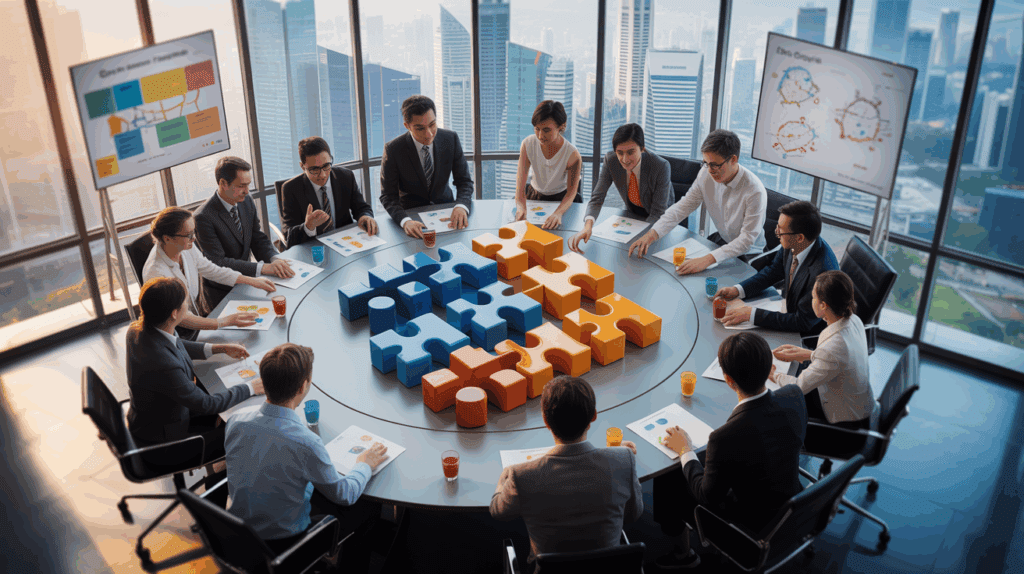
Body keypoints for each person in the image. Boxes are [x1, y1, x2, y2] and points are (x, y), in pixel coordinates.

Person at [653, 332, 807, 569]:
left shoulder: (725, 437)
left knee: (669, 477)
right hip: (792, 504)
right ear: (769, 368)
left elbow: (707, 496)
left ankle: (683, 555)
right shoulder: (794, 396)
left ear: (728, 379)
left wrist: (685, 449)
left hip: (749, 525)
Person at [226, 343, 388, 565]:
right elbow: (345, 495)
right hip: (285, 545)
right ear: (303, 386)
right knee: (368, 506)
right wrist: (364, 464)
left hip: (240, 534)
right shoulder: (306, 442)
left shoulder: (236, 420)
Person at [490, 375, 643, 566]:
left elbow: (498, 512)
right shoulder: (624, 459)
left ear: (545, 421)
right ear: (594, 415)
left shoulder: (521, 475)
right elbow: (633, 514)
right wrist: (614, 456)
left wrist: (501, 482)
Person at [125, 277, 263, 474]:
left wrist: (218, 348)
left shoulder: (138, 329)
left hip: (151, 419)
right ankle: (219, 477)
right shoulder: (164, 364)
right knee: (248, 429)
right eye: (184, 303)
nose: (187, 306)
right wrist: (251, 387)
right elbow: (207, 404)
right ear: (174, 314)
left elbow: (175, 344)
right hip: (169, 442)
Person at [628, 129, 767, 274]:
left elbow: (746, 240)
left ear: (733, 159)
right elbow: (682, 207)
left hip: (749, 253)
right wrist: (652, 234)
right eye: (706, 163)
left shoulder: (754, 191)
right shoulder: (706, 174)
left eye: (715, 165)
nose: (710, 170)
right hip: (723, 240)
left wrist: (706, 260)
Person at [770, 270, 874, 454]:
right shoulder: (854, 320)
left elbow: (797, 387)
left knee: (775, 409)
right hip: (857, 403)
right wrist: (806, 354)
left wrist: (771, 373)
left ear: (823, 305)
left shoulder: (834, 348)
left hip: (843, 422)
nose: (811, 301)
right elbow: (839, 360)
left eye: (813, 297)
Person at [143, 207, 277, 333]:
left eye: (194, 232)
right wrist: (221, 322)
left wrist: (251, 281)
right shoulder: (155, 272)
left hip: (197, 317)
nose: (194, 238)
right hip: (177, 330)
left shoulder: (184, 247)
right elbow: (179, 317)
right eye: (189, 235)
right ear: (167, 238)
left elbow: (210, 269)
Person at [716, 200, 839, 338]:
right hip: (787, 306)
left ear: (799, 238)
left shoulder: (822, 272)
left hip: (806, 334)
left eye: (781, 229)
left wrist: (751, 314)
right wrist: (738, 290)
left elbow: (802, 321)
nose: (776, 232)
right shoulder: (795, 243)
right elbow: (773, 272)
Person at [194, 156, 294, 310]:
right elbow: (219, 262)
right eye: (241, 186)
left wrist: (274, 259)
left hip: (248, 284)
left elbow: (257, 237)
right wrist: (262, 268)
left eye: (248, 185)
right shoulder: (203, 217)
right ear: (223, 183)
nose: (247, 191)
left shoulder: (246, 200)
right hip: (222, 293)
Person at [380, 95, 473, 239]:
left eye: (432, 124)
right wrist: (405, 221)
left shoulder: (450, 139)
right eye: (420, 128)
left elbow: (464, 182)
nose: (429, 134)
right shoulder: (393, 149)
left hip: (447, 214)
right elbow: (388, 196)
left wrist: (461, 205)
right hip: (412, 218)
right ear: (407, 126)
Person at [570, 123, 673, 253]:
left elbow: (657, 213)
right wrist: (587, 226)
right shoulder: (611, 160)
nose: (625, 159)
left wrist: (642, 238)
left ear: (642, 148)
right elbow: (597, 197)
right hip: (633, 212)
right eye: (620, 153)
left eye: (631, 152)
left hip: (659, 218)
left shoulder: (661, 166)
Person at [280, 136, 378, 248]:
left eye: (326, 166)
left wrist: (365, 217)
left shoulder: (346, 176)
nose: (322, 175)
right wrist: (307, 227)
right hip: (314, 249)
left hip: (347, 243)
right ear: (302, 166)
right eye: (314, 169)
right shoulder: (290, 189)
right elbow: (289, 236)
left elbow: (361, 207)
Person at [513, 100, 583, 230]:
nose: (540, 135)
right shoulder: (528, 144)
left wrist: (558, 213)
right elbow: (520, 184)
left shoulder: (572, 154)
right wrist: (521, 206)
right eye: (537, 129)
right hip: (534, 196)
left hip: (562, 200)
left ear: (561, 127)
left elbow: (572, 192)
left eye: (546, 130)